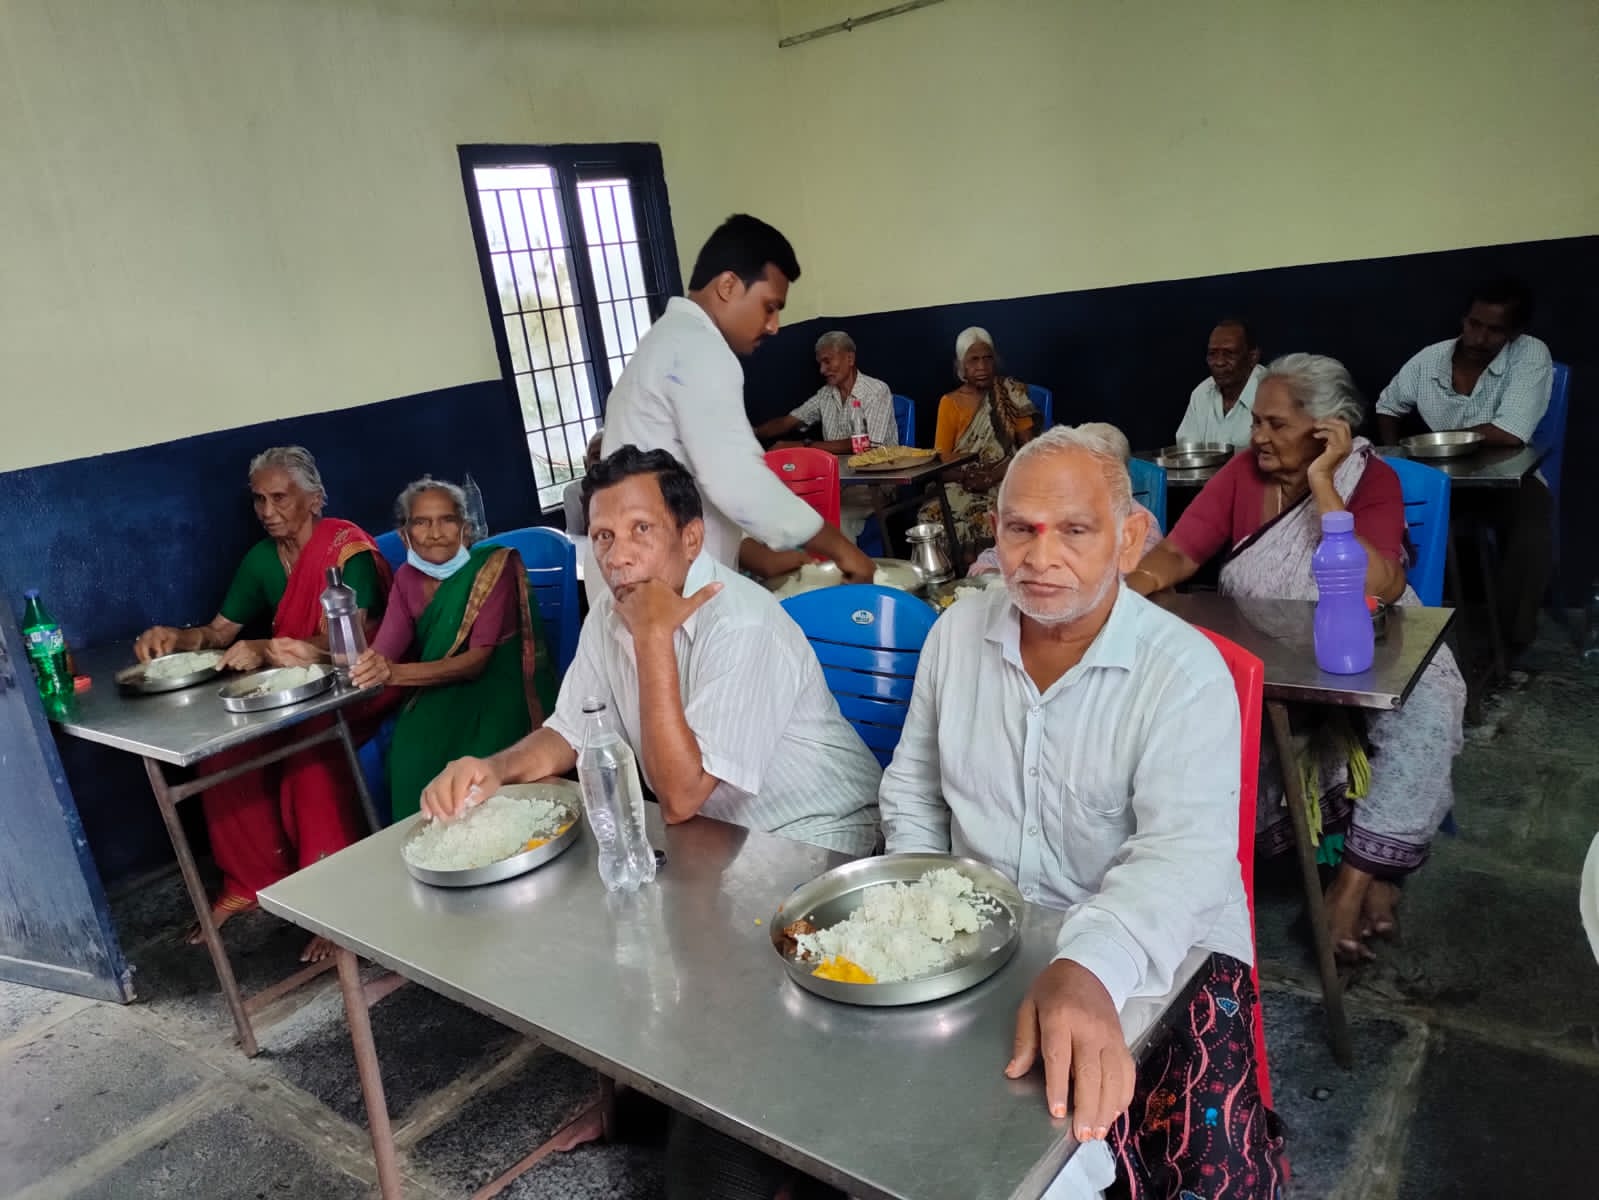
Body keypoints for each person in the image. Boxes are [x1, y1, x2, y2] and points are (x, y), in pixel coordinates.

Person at [881, 426, 1282, 1198]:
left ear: (1128, 539)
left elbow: (1182, 858)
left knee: (1160, 1162)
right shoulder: (955, 634)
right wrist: (924, 908)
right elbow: (913, 788)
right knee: (917, 1128)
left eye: (1073, 530)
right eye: (1019, 529)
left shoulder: (1182, 673)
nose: (1039, 558)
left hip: (1162, 949)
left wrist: (1088, 965)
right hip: (982, 931)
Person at [1130, 354, 1467, 962]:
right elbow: (1180, 553)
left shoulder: (1371, 480)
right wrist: (1126, 593)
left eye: (1276, 424)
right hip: (1272, 648)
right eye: (1256, 421)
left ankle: (1351, 885)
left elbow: (1381, 583)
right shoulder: (1241, 475)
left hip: (1367, 638)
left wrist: (1323, 484)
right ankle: (1375, 877)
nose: (1258, 436)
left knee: (1429, 702)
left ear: (1326, 429)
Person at [420, 445, 881, 856]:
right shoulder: (611, 610)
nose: (618, 556)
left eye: (641, 528)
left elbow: (681, 797)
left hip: (817, 833)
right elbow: (572, 732)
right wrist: (494, 769)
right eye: (603, 536)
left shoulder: (741, 623)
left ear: (691, 539)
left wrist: (652, 638)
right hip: (718, 837)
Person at [133, 446, 391, 961]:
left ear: (314, 498)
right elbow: (218, 632)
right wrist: (177, 638)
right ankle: (249, 880)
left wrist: (272, 649)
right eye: (259, 500)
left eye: (280, 498)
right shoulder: (261, 560)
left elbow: (354, 640)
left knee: (309, 755)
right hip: (294, 691)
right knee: (223, 751)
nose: (268, 511)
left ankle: (334, 901)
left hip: (363, 682)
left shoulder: (347, 551)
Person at [596, 214, 873, 597]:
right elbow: (737, 481)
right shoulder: (700, 348)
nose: (774, 325)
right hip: (660, 589)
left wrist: (752, 553)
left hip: (643, 579)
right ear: (728, 286)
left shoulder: (665, 340)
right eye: (769, 306)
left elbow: (690, 479)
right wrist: (841, 548)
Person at [349, 478, 558, 822]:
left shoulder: (491, 568)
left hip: (495, 691)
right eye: (421, 522)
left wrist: (395, 673)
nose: (435, 533)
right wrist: (362, 664)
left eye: (446, 520)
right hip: (436, 691)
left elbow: (476, 662)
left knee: (475, 757)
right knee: (409, 749)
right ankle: (430, 842)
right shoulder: (406, 579)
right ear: (404, 535)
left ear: (465, 529)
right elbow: (385, 650)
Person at [1375, 277, 1555, 653]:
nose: (1479, 337)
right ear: (1464, 318)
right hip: (1440, 480)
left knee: (1533, 520)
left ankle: (1508, 642)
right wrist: (1394, 459)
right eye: (1474, 324)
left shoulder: (1531, 354)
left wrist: (1440, 440)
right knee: (1384, 512)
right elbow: (1388, 405)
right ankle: (1398, 627)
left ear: (1515, 333)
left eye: (1495, 330)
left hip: (1506, 481)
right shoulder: (1429, 360)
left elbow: (1510, 433)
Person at [967, 423, 1162, 575]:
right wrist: (992, 576)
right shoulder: (1048, 513)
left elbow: (1123, 588)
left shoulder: (1140, 529)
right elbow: (987, 563)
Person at [921, 326, 1038, 556]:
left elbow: (1029, 450)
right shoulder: (949, 403)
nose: (982, 367)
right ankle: (956, 575)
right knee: (931, 514)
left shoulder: (1010, 393)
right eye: (973, 360)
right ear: (961, 366)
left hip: (1005, 478)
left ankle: (989, 571)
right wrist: (967, 477)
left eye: (987, 358)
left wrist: (993, 475)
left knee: (987, 516)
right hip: (962, 481)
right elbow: (942, 458)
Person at [753, 330, 898, 453]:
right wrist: (751, 432)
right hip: (838, 472)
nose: (822, 370)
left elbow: (866, 444)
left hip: (877, 475)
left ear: (850, 359)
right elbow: (787, 422)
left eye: (827, 361)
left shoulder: (877, 391)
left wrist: (803, 445)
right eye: (820, 364)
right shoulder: (826, 394)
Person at [1174, 319, 1265, 446]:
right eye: (1212, 354)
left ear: (1252, 357)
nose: (1219, 362)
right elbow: (1189, 451)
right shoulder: (1201, 393)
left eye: (1229, 354)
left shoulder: (1272, 393)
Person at [562, 429, 606, 536]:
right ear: (586, 464)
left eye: (607, 456)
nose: (602, 462)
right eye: (596, 457)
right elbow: (575, 538)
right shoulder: (573, 493)